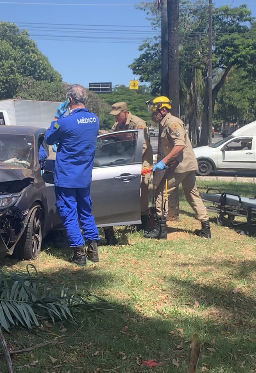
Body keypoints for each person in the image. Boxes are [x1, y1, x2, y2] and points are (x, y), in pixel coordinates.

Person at [45, 84, 100, 265]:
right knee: (85, 212)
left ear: (69, 100)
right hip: (84, 177)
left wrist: (56, 117)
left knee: (69, 214)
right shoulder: (94, 120)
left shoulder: (65, 122)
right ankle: (93, 251)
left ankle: (79, 254)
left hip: (66, 177)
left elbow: (48, 138)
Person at [144, 96, 210, 240]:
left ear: (163, 109)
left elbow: (180, 145)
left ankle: (160, 230)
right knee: (192, 194)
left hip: (181, 165)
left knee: (161, 192)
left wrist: (163, 162)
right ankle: (206, 227)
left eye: (154, 110)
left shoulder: (172, 123)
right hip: (187, 164)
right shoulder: (166, 122)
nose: (152, 113)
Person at [104, 102, 153, 243]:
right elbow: (112, 137)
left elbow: (143, 146)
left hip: (142, 160)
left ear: (124, 112)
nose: (115, 119)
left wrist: (132, 162)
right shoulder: (118, 125)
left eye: (117, 115)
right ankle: (131, 216)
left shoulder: (138, 124)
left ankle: (144, 220)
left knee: (142, 186)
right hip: (126, 160)